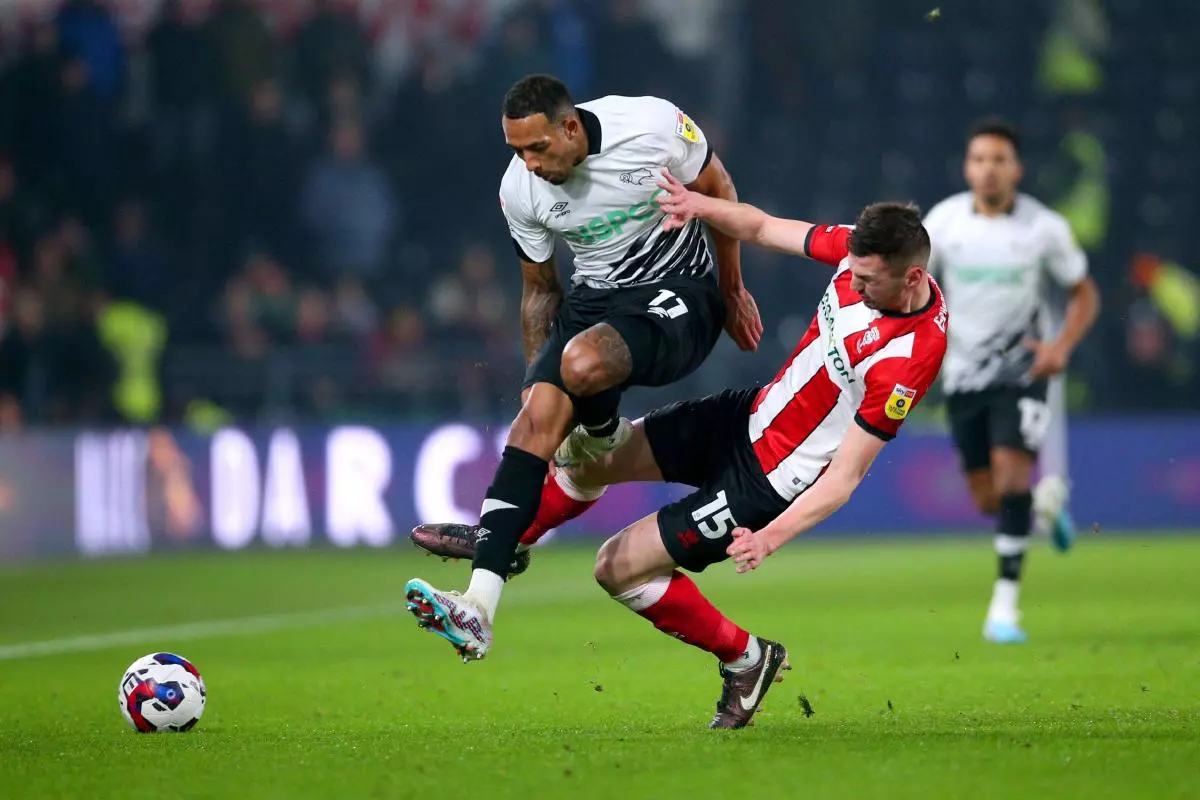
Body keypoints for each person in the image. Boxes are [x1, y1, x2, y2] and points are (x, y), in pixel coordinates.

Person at [406, 175, 948, 731]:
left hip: (765, 482)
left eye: (866, 281)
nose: (853, 286)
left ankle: (747, 658)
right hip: (746, 415)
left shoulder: (908, 359)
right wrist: (697, 204)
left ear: (911, 277)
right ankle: (505, 540)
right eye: (852, 273)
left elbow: (844, 478)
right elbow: (761, 225)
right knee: (582, 459)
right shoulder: (861, 250)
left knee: (614, 568)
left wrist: (769, 537)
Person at [404, 75, 762, 661]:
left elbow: (717, 185)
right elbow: (540, 292)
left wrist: (730, 288)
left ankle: (601, 434)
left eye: (538, 148)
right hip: (595, 305)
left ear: (570, 127)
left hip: (679, 294)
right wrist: (533, 385)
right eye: (517, 151)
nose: (530, 163)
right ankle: (477, 608)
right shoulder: (519, 188)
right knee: (533, 423)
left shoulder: (649, 126)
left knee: (584, 361)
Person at [923, 118, 1100, 644]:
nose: (989, 169)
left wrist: (1061, 346)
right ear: (967, 167)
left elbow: (1083, 292)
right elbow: (918, 285)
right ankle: (1043, 502)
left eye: (999, 160)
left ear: (1017, 169)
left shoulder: (1043, 227)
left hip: (1023, 369)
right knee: (987, 497)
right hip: (963, 374)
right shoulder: (946, 221)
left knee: (1010, 474)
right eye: (980, 159)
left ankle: (1004, 609)